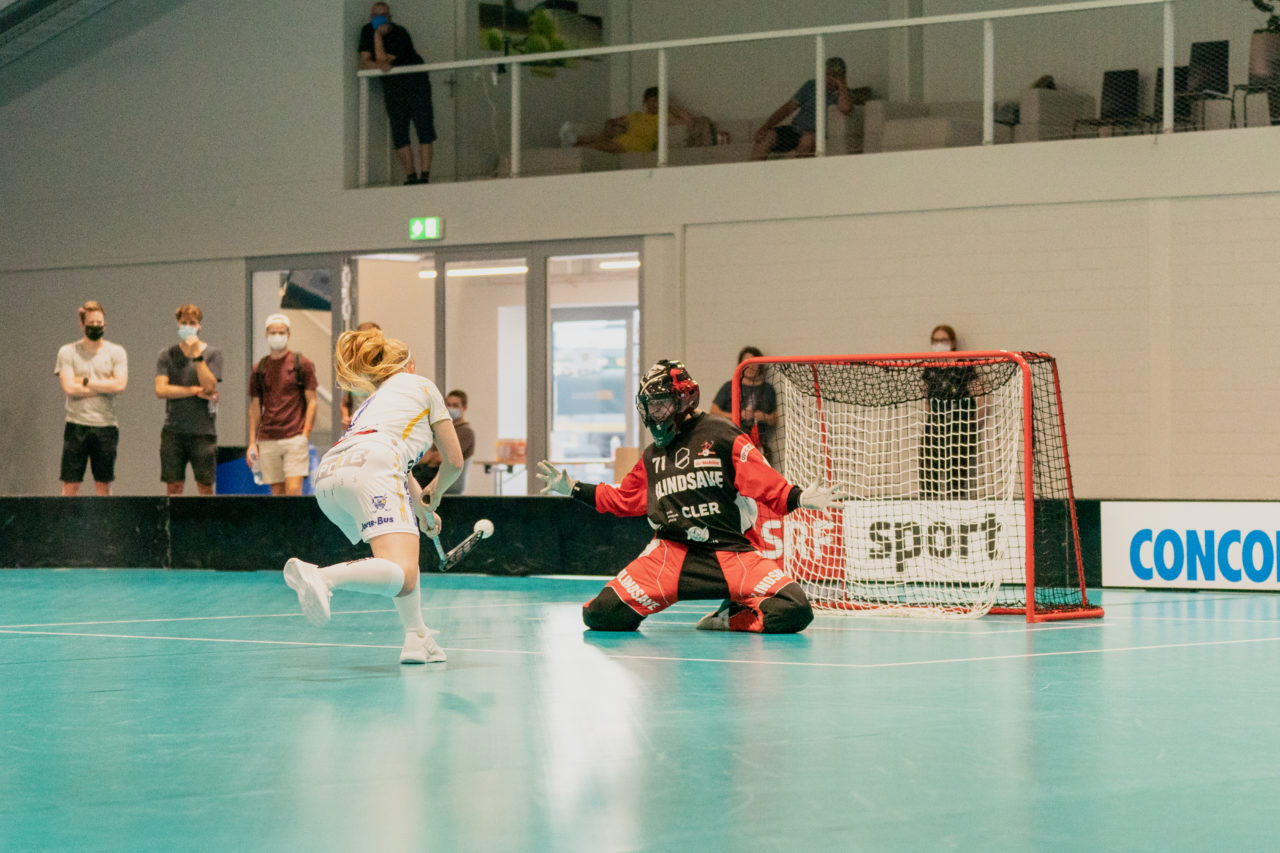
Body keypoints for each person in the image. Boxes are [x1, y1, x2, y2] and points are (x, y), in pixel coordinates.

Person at [535, 359, 845, 634]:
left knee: (795, 610)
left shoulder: (722, 434)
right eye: (648, 406)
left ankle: (730, 617)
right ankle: (705, 604)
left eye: (660, 404)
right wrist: (574, 488)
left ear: (685, 398)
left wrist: (799, 497)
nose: (653, 413)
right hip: (669, 557)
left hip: (732, 554)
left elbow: (761, 478)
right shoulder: (652, 456)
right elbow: (623, 499)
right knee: (600, 615)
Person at [283, 326, 463, 665]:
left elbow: (400, 467)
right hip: (375, 468)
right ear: (408, 364)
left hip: (332, 474)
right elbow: (453, 461)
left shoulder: (372, 403)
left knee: (400, 558)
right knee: (404, 572)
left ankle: (416, 637)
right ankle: (322, 577)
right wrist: (436, 494)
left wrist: (422, 512)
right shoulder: (423, 385)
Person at [55, 300, 128, 496]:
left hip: (106, 425)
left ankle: (106, 526)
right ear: (82, 324)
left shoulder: (116, 352)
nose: (96, 326)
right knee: (71, 483)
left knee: (104, 484)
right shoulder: (67, 352)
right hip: (76, 424)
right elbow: (70, 387)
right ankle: (64, 525)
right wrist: (104, 386)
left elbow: (119, 385)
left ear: (105, 324)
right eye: (91, 323)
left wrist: (86, 382)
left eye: (99, 323)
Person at [358, 2, 436, 185]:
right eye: (376, 15)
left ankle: (424, 175)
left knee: (424, 128)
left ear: (390, 17)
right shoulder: (366, 31)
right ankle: (410, 176)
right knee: (399, 131)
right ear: (371, 17)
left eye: (384, 15)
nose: (380, 19)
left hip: (415, 84)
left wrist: (378, 37)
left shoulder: (400, 33)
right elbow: (366, 62)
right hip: (393, 88)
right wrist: (376, 37)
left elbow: (385, 60)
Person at [246, 314, 319, 496]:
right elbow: (255, 407)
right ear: (266, 334)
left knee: (293, 490)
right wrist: (252, 443)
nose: (277, 336)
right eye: (273, 332)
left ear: (288, 334)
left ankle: (297, 526)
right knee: (276, 493)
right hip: (268, 437)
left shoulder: (302, 364)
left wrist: (305, 433)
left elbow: (312, 402)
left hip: (294, 436)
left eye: (281, 332)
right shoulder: (259, 368)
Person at [154, 304, 222, 495]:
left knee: (205, 486)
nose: (188, 327)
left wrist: (197, 357)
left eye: (192, 323)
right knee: (173, 486)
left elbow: (209, 386)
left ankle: (207, 524)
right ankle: (175, 524)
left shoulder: (213, 354)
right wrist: (192, 390)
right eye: (184, 323)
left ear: (200, 326)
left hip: (203, 432)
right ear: (178, 324)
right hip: (173, 431)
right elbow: (161, 389)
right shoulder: (167, 355)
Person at [750, 56, 854, 160]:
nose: (831, 79)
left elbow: (846, 108)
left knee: (807, 140)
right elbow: (787, 108)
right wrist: (765, 127)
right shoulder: (811, 86)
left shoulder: (844, 94)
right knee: (767, 136)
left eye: (835, 76)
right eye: (828, 74)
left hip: (816, 135)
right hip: (796, 130)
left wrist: (842, 84)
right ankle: (753, 174)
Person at [920, 324, 979, 499]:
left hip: (959, 426)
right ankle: (928, 502)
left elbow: (980, 396)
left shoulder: (964, 366)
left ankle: (956, 502)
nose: (939, 343)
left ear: (952, 342)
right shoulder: (930, 369)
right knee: (928, 465)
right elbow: (927, 399)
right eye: (936, 340)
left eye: (943, 340)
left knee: (956, 471)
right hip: (936, 426)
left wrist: (974, 423)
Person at [566, 86, 695, 154]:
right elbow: (611, 121)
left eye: (657, 101)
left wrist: (670, 105)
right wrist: (607, 131)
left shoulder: (664, 117)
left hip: (638, 146)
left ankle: (576, 148)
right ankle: (572, 141)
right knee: (601, 140)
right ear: (645, 102)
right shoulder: (636, 115)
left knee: (605, 145)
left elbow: (688, 121)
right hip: (621, 140)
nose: (654, 104)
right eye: (651, 101)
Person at [709, 345, 778, 461]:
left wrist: (763, 417)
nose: (750, 367)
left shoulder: (768, 389)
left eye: (754, 363)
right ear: (741, 365)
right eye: (747, 363)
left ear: (760, 365)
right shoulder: (730, 386)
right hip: (732, 442)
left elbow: (775, 418)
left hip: (758, 446)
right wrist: (737, 416)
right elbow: (713, 412)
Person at [411, 389, 475, 495]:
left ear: (464, 408)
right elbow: (423, 456)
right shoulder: (443, 429)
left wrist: (429, 457)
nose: (451, 408)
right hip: (428, 475)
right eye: (448, 405)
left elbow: (441, 458)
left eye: (455, 405)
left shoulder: (465, 432)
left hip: (444, 480)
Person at [340, 322, 382, 430]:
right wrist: (346, 418)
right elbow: (345, 403)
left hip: (381, 431)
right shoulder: (353, 371)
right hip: (358, 431)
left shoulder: (386, 370)